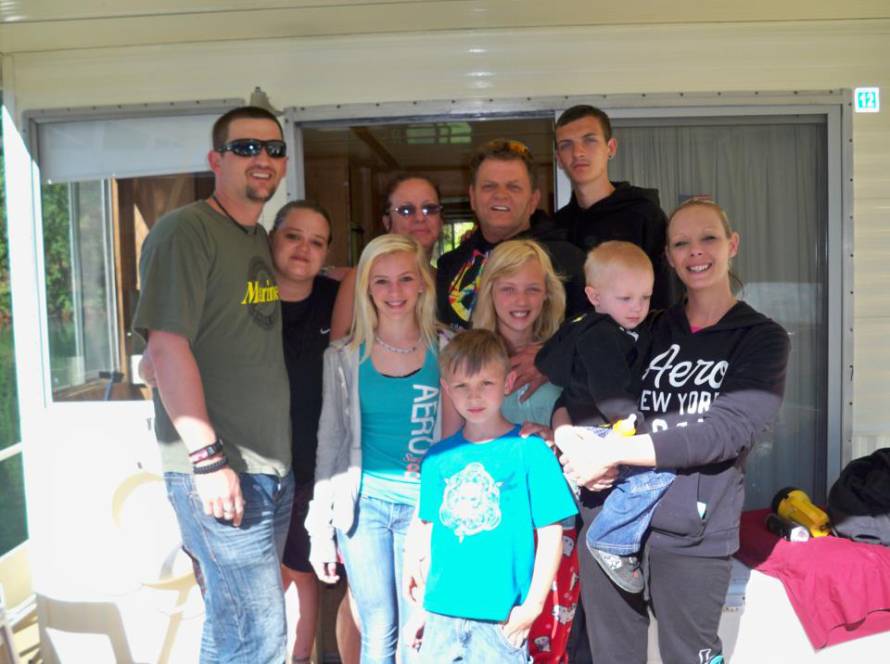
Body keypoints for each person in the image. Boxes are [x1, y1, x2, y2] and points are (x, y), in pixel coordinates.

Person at [560, 199, 790, 664]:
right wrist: (566, 436)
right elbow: (582, 391)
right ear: (667, 255)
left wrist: (617, 452)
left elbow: (725, 432)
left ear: (732, 244)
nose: (695, 252)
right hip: (609, 525)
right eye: (681, 243)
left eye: (708, 238)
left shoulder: (760, 338)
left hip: (693, 537)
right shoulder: (645, 325)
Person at [132, 105, 294, 663]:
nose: (263, 159)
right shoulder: (185, 232)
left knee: (235, 628)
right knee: (258, 636)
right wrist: (207, 460)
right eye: (246, 148)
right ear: (215, 160)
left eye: (273, 149)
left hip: (268, 470)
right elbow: (165, 346)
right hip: (223, 470)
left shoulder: (253, 238)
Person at [306, 234, 458, 664]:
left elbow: (453, 445)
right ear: (366, 290)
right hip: (363, 509)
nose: (394, 293)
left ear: (423, 285)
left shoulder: (446, 350)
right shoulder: (343, 357)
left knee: (419, 631)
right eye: (382, 282)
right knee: (377, 632)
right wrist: (320, 532)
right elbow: (329, 446)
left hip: (423, 511)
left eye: (405, 279)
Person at [407, 329, 578, 664]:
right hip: (440, 616)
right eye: (462, 386)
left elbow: (551, 534)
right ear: (446, 389)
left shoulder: (531, 450)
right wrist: (421, 609)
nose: (474, 396)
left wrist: (531, 608)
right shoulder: (437, 458)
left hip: (501, 619)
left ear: (508, 382)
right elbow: (427, 531)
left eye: (485, 383)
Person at [538, 241, 673, 595]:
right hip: (604, 428)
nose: (637, 308)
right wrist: (642, 431)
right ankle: (612, 539)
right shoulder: (603, 336)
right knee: (656, 476)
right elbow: (611, 394)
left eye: (645, 298)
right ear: (594, 295)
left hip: (585, 427)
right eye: (625, 299)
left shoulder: (583, 327)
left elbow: (551, 368)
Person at [469, 239, 579, 663]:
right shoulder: (468, 353)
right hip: (490, 523)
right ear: (489, 291)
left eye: (532, 288)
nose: (521, 300)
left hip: (555, 523)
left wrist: (556, 435)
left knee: (550, 639)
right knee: (492, 642)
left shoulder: (568, 350)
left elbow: (596, 423)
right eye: (508, 288)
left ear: (548, 293)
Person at [269, 201, 343, 664]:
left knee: (301, 571)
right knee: (257, 581)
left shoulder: (331, 298)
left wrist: (331, 266)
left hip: (310, 464)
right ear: (270, 239)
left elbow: (366, 270)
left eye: (317, 242)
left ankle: (300, 658)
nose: (304, 249)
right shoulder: (248, 298)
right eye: (293, 236)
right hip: (252, 464)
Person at [437, 139, 587, 331]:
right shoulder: (449, 265)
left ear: (533, 200)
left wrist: (548, 353)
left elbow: (592, 332)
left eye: (513, 187)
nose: (500, 195)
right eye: (489, 186)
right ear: (473, 197)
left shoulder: (569, 262)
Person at [552, 105, 673, 309]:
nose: (578, 152)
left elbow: (665, 297)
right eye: (566, 145)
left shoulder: (645, 216)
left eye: (589, 140)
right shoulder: (557, 227)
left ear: (611, 148)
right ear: (559, 160)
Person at [330, 174, 444, 339]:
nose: (420, 218)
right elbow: (339, 356)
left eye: (430, 209)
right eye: (406, 210)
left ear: (440, 220)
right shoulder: (360, 278)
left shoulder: (446, 278)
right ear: (387, 221)